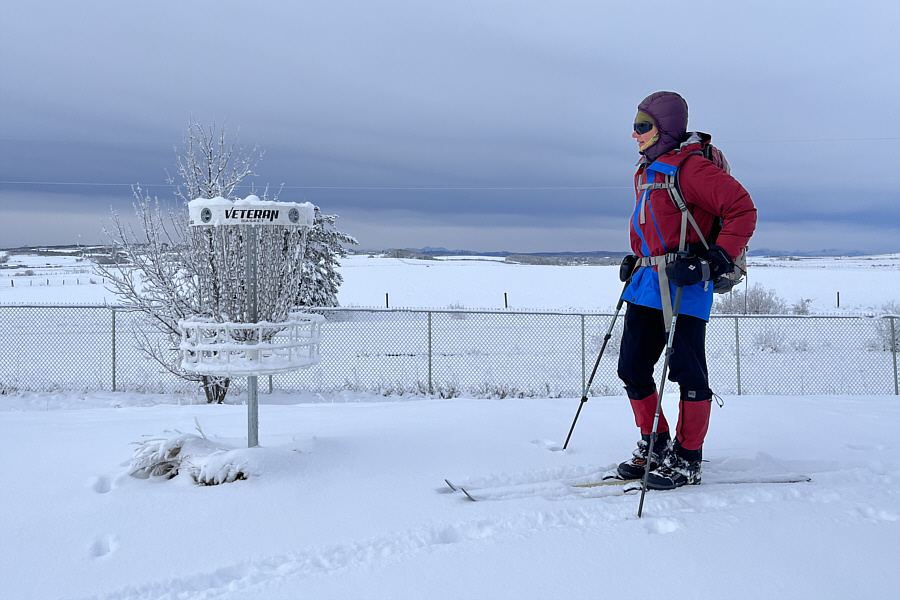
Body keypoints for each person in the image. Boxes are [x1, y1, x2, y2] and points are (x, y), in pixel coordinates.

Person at [616, 91, 756, 489]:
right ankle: (656, 442)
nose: (635, 134)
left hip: (686, 284)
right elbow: (653, 226)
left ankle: (688, 458)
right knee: (632, 368)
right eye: (635, 125)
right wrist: (637, 256)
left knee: (687, 373)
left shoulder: (690, 169)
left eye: (644, 126)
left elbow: (742, 209)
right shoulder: (646, 172)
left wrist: (714, 261)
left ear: (666, 128)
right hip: (646, 283)